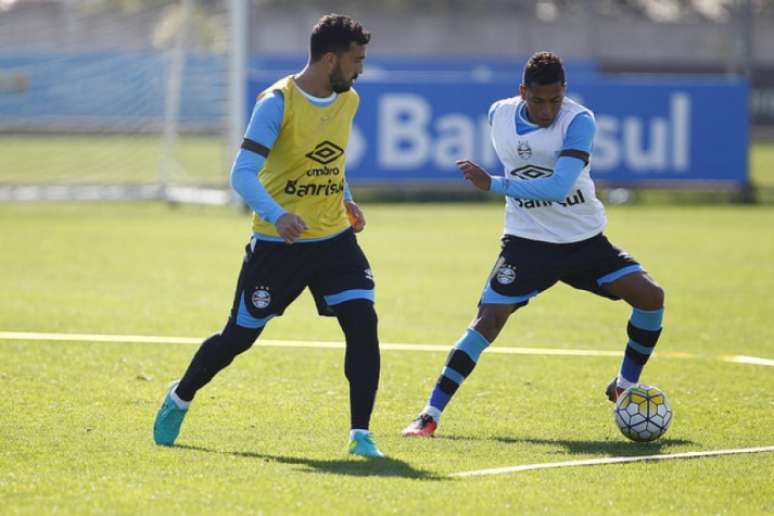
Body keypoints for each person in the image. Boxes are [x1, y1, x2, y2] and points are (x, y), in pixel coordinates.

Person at [153, 14, 384, 458]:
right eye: (356, 60)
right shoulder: (277, 102)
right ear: (330, 58)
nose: (361, 70)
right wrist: (277, 216)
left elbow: (330, 162)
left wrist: (347, 197)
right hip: (280, 246)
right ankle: (179, 396)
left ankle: (360, 435)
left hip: (334, 240)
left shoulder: (348, 99)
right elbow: (240, 174)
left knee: (363, 322)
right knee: (237, 338)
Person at [402, 51, 665, 437]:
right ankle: (430, 414)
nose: (547, 110)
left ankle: (625, 383)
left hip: (583, 240)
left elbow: (559, 187)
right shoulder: (500, 114)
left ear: (564, 93)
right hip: (527, 243)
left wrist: (493, 183)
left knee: (650, 296)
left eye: (555, 100)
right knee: (487, 322)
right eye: (539, 101)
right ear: (522, 92)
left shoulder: (579, 121)